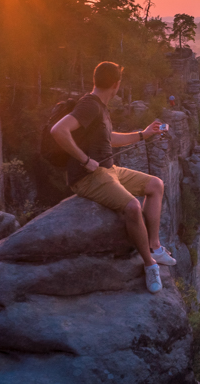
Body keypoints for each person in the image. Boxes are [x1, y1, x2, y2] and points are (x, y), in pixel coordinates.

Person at [50, 61, 176, 293]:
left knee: (155, 185)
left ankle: (154, 245)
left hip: (110, 170)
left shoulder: (100, 106)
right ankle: (149, 264)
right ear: (117, 84)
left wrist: (143, 134)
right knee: (132, 207)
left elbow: (110, 140)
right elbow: (58, 130)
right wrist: (85, 160)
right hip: (89, 177)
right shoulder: (90, 105)